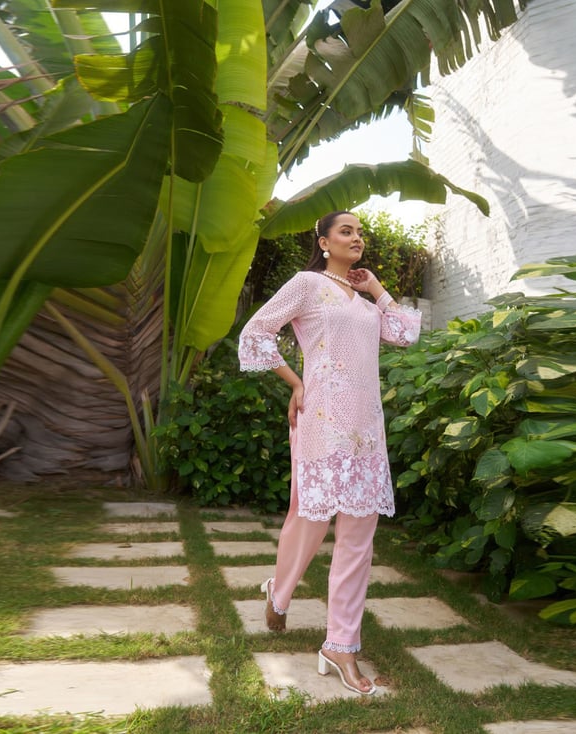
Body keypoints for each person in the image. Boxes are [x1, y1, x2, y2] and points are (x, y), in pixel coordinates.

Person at [238, 210, 421, 695]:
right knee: (309, 520)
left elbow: (405, 333)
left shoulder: (364, 301)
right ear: (323, 242)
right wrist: (295, 382)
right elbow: (256, 332)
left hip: (366, 430)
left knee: (358, 538)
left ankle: (341, 644)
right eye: (346, 231)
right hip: (321, 421)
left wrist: (376, 289)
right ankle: (279, 592)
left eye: (360, 232)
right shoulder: (307, 284)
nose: (356, 238)